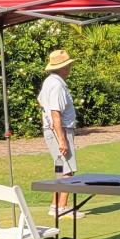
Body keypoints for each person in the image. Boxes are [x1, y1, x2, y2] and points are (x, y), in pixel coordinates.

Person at [38, 49, 81, 219]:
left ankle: (54, 206)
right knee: (67, 171)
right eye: (68, 65)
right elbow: (56, 113)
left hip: (54, 129)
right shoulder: (56, 85)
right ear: (62, 67)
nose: (70, 67)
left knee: (60, 169)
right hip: (59, 130)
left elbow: (40, 100)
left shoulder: (50, 81)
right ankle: (62, 208)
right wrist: (62, 139)